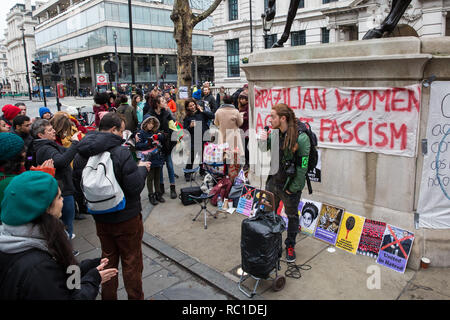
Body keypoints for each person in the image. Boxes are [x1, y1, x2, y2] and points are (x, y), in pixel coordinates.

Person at [0, 171, 118, 300]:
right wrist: (92, 281)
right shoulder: (38, 269)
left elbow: (62, 279)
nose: (63, 201)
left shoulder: (34, 240)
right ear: (46, 209)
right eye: (59, 197)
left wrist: (85, 267)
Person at [73, 112, 150, 300]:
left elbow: (78, 186)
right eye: (122, 131)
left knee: (107, 259)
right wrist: (142, 169)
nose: (123, 135)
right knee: (131, 261)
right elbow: (133, 187)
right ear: (114, 130)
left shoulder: (82, 153)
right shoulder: (121, 152)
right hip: (127, 217)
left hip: (100, 217)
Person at [258, 103, 310, 263]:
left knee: (292, 216)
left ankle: (290, 245)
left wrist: (292, 189)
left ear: (283, 118)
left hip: (289, 187)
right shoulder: (274, 133)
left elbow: (303, 168)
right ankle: (272, 243)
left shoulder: (301, 138)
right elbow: (263, 149)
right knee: (268, 214)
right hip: (273, 182)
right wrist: (262, 140)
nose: (270, 119)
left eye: (273, 116)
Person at [31, 119, 80, 242]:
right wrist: (74, 144)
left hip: (62, 187)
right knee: (66, 222)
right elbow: (62, 161)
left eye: (52, 128)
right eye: (49, 130)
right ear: (41, 135)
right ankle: (67, 248)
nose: (54, 131)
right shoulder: (46, 149)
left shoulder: (48, 145)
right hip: (62, 190)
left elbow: (65, 152)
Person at [147, 94, 178, 199]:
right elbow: (147, 128)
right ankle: (160, 187)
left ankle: (173, 188)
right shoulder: (150, 114)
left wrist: (173, 138)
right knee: (159, 167)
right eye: (163, 101)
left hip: (167, 143)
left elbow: (174, 126)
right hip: (156, 145)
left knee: (169, 165)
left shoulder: (166, 113)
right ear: (157, 104)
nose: (165, 102)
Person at [135, 115, 165, 205]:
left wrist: (159, 137)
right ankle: (151, 195)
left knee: (157, 177)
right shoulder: (141, 133)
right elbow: (138, 146)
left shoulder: (156, 132)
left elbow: (162, 138)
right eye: (149, 123)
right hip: (148, 158)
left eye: (152, 123)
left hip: (157, 157)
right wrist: (148, 143)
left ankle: (158, 194)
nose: (151, 125)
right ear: (145, 124)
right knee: (150, 178)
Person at [183, 98, 214, 180]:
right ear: (187, 108)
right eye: (190, 106)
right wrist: (190, 126)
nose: (192, 107)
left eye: (193, 105)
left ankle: (203, 171)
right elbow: (185, 131)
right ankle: (187, 173)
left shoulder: (202, 113)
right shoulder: (187, 117)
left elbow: (212, 116)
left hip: (204, 137)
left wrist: (202, 110)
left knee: (203, 156)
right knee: (192, 156)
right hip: (194, 138)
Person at [214, 94, 244, 165]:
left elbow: (216, 123)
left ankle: (225, 172)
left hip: (222, 135)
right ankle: (232, 173)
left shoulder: (218, 111)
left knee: (224, 154)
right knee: (234, 156)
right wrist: (241, 116)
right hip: (233, 137)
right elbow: (240, 123)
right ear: (232, 102)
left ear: (223, 102)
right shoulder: (235, 111)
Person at [238, 91, 250, 168]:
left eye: (243, 99)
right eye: (240, 99)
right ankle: (246, 161)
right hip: (241, 129)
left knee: (245, 147)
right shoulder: (240, 107)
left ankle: (247, 162)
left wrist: (241, 117)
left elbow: (249, 117)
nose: (241, 100)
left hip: (246, 130)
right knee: (243, 147)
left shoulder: (247, 107)